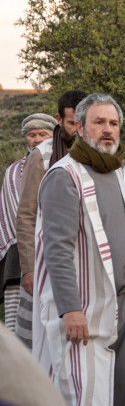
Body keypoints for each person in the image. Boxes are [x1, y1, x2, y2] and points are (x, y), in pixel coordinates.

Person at [32, 93, 125, 406]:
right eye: (99, 122)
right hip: (85, 312)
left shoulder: (112, 171)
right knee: (87, 396)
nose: (107, 129)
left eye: (113, 123)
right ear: (79, 128)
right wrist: (70, 309)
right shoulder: (64, 176)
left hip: (122, 305)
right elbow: (57, 249)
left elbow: (103, 231)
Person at [16, 89, 87, 347]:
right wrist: (29, 267)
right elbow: (26, 214)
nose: (79, 130)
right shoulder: (43, 155)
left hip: (87, 257)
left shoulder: (98, 153)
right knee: (45, 335)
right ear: (59, 119)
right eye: (72, 123)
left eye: (84, 122)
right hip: (48, 257)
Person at [0, 113, 56, 334]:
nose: (37, 139)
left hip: (54, 248)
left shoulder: (63, 165)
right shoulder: (13, 171)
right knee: (20, 323)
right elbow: (11, 212)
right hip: (20, 253)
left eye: (43, 134)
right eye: (32, 135)